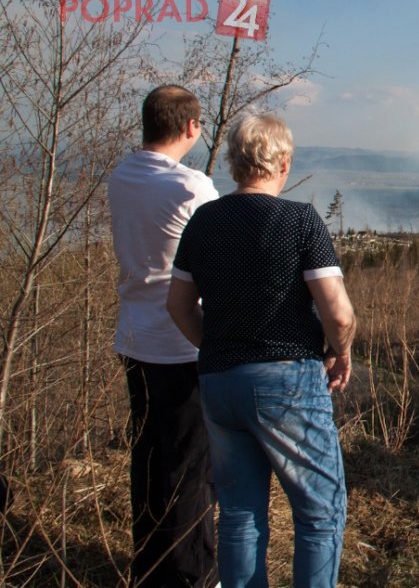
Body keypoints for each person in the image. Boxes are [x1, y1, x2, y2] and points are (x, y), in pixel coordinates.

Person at [167, 111, 356, 587]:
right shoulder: (298, 220)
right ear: (284, 162)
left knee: (238, 514)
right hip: (286, 378)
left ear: (233, 162)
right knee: (318, 510)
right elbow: (339, 314)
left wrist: (215, 347)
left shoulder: (204, 221)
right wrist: (341, 350)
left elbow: (178, 306)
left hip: (218, 382)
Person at [108, 85, 218, 587]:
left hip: (134, 337)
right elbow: (224, 259)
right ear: (191, 127)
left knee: (150, 456)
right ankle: (191, 574)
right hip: (182, 342)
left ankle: (149, 566)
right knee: (190, 467)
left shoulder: (123, 176)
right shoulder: (190, 187)